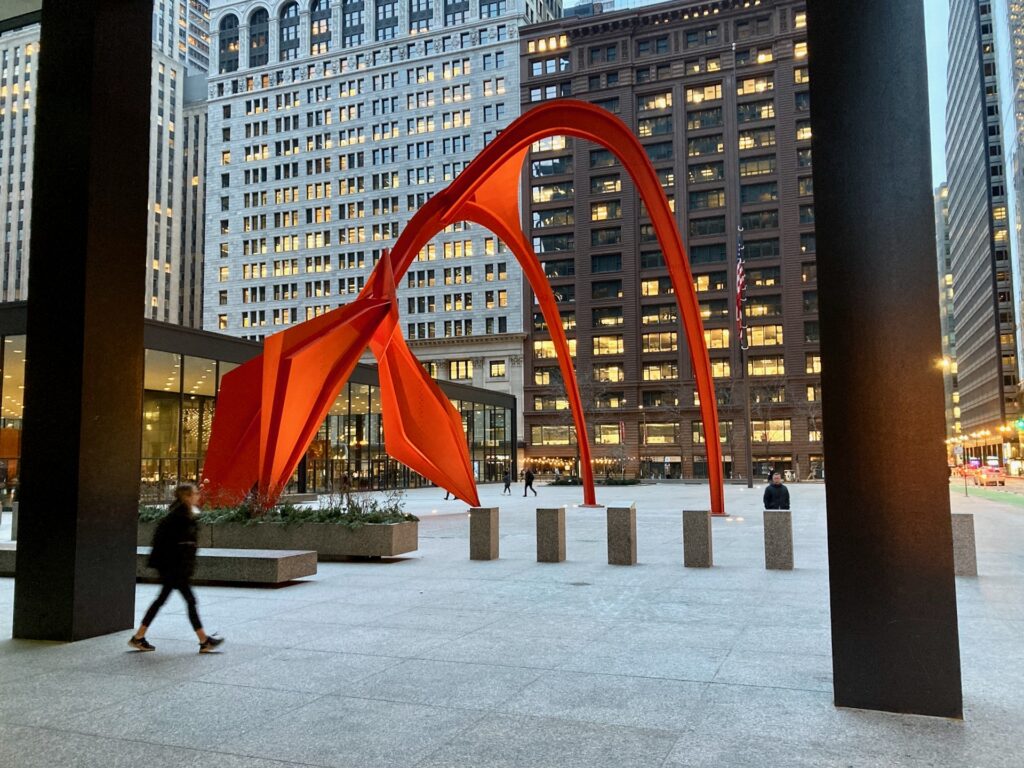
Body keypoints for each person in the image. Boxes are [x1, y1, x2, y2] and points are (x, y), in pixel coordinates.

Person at [129, 483, 224, 654]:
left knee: (162, 601)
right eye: (195, 493)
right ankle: (203, 640)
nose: (198, 496)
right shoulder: (179, 518)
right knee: (188, 601)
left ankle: (139, 637)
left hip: (172, 567)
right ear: (186, 497)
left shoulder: (180, 515)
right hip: (174, 568)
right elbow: (176, 545)